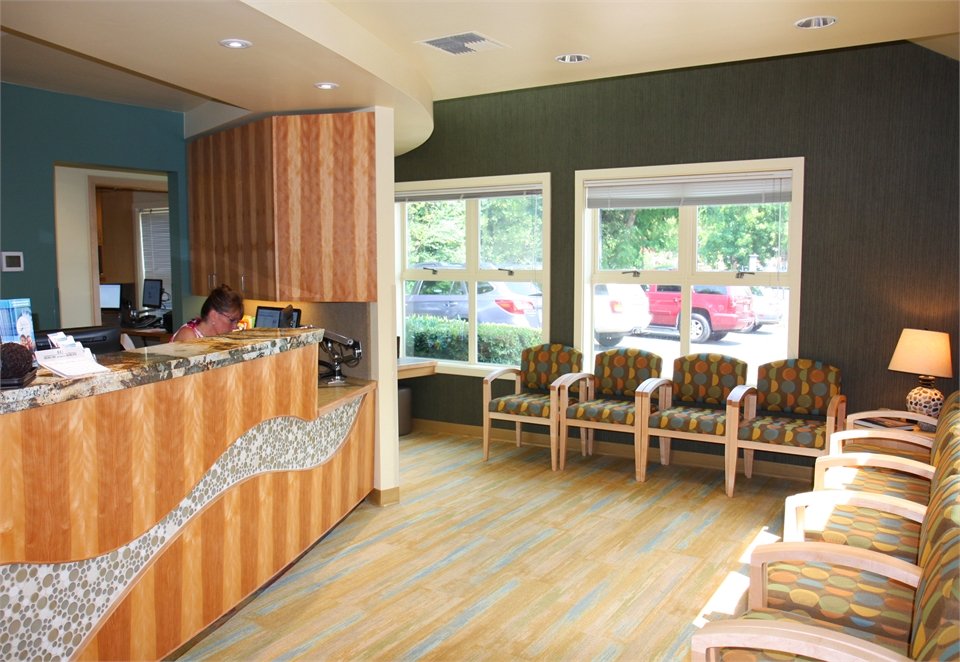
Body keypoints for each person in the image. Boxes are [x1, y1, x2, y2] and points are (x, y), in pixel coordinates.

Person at [171, 284, 244, 342]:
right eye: (232, 320)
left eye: (236, 322)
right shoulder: (188, 336)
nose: (234, 326)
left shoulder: (218, 337)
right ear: (213, 315)